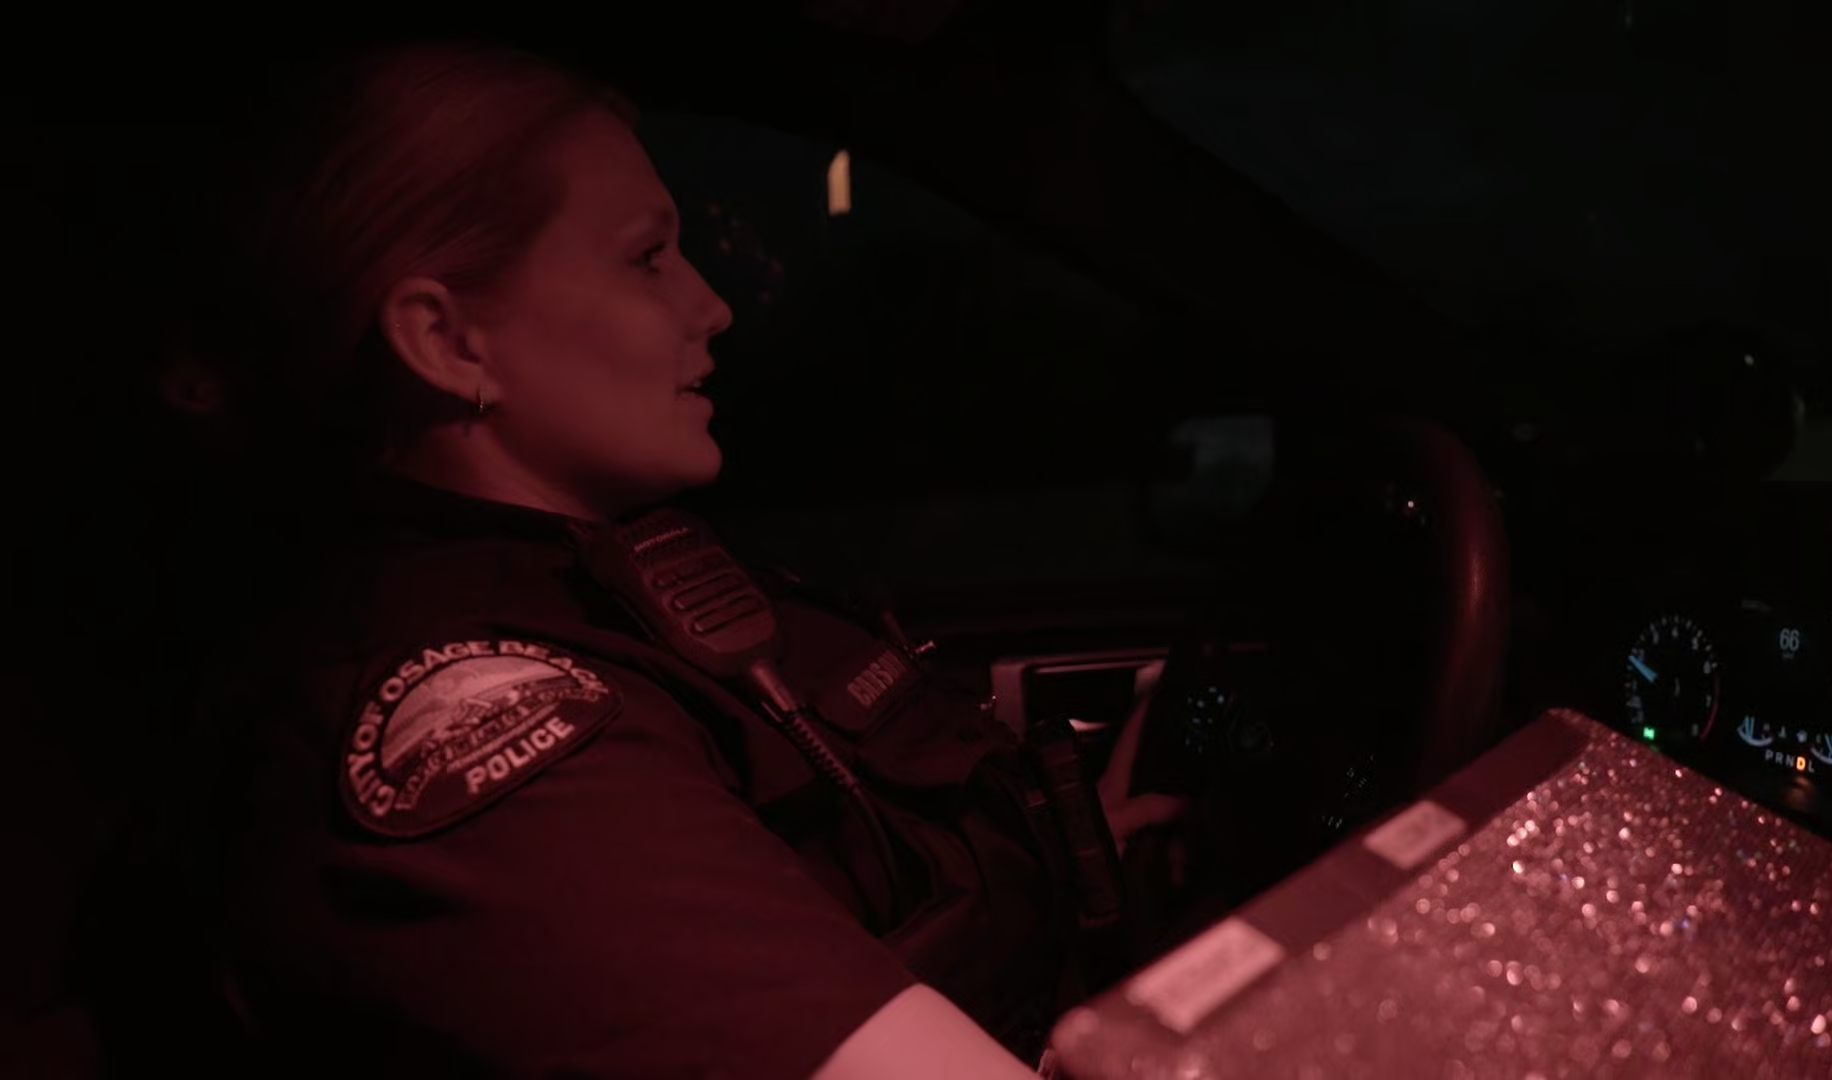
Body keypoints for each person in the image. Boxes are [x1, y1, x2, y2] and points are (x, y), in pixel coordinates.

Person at [118, 39, 1187, 1079]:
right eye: (646, 257)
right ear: (449, 342)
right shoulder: (479, 728)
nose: (711, 306)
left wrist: (1071, 851)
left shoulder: (611, 589)